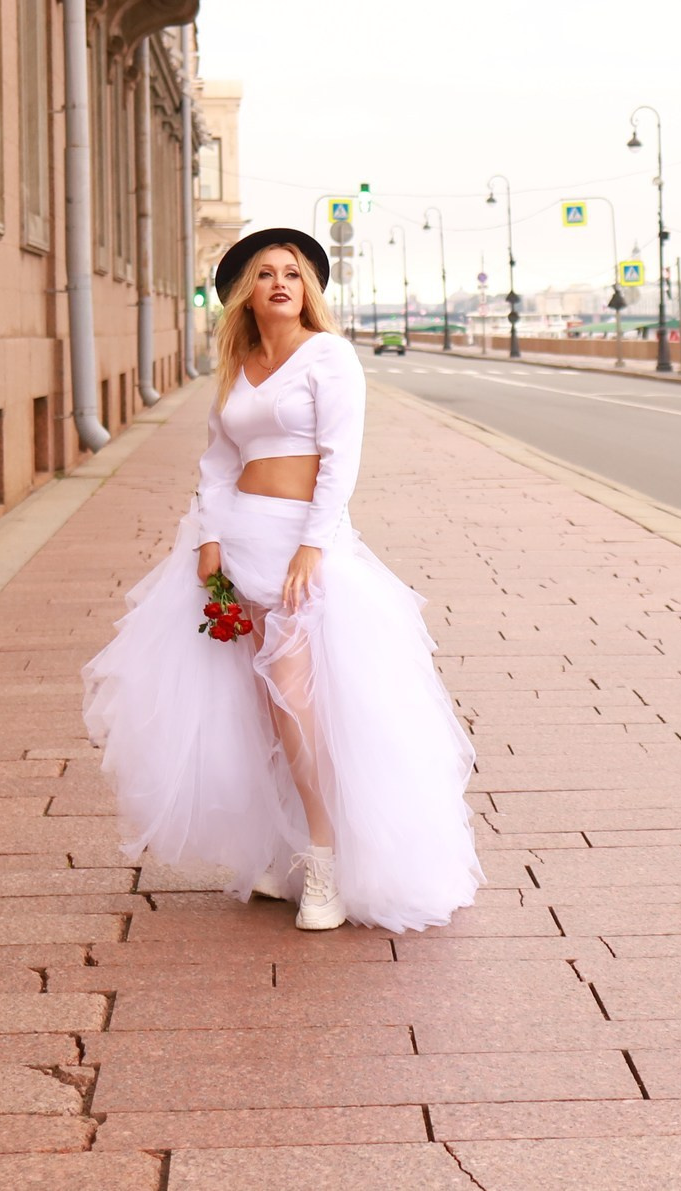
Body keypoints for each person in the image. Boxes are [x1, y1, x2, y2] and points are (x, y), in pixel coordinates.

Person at [81, 229, 483, 932]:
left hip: (302, 546)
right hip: (237, 542)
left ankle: (326, 860)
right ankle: (286, 849)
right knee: (260, 708)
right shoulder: (239, 365)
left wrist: (312, 547)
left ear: (307, 291)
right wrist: (209, 535)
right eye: (265, 274)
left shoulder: (328, 356)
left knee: (296, 703)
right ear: (247, 293)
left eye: (292, 274)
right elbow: (217, 459)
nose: (279, 283)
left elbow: (339, 459)